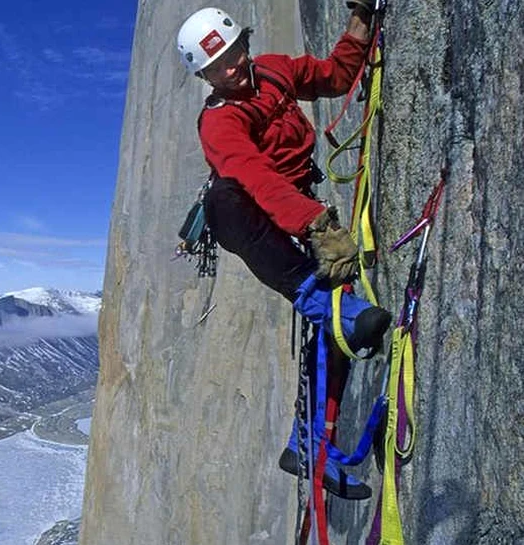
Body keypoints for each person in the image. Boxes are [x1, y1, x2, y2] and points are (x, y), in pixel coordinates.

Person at [176, 4, 391, 500]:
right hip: (257, 217)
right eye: (217, 66)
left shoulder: (274, 69)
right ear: (203, 75)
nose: (231, 67)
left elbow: (334, 77)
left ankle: (308, 443)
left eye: (233, 53)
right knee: (224, 197)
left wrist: (359, 23)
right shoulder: (218, 123)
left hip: (296, 204)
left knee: (336, 328)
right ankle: (323, 302)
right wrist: (313, 223)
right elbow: (257, 177)